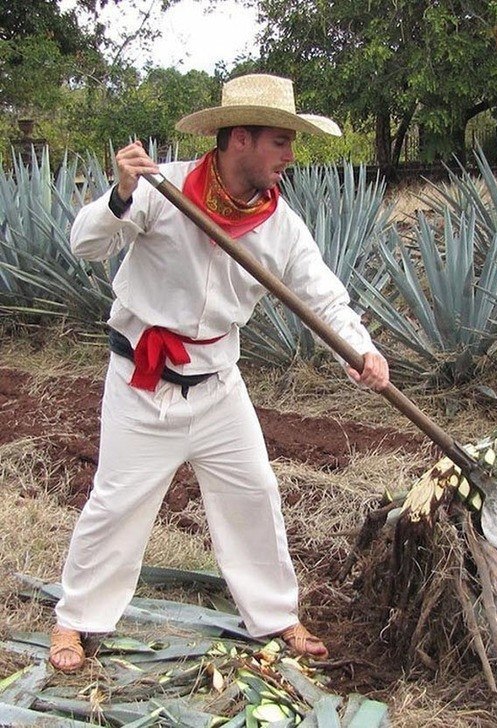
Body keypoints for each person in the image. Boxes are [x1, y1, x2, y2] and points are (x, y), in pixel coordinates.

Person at [49, 73, 390, 672]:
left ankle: (277, 616)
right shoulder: (165, 188)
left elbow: (323, 300)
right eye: (279, 141)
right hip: (142, 384)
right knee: (116, 504)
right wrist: (122, 193)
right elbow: (86, 243)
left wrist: (360, 351)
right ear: (239, 139)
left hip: (217, 388)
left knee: (254, 496)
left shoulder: (280, 226)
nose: (289, 155)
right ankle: (76, 620)